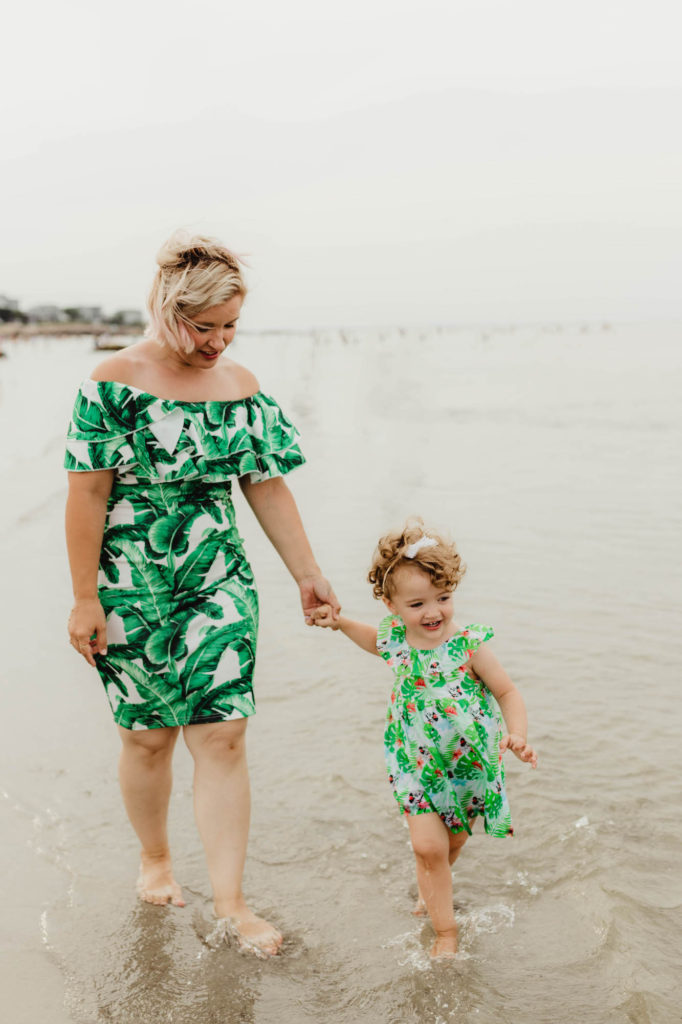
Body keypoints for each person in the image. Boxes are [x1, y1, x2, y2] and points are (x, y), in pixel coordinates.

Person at [64, 231, 339, 958]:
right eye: (204, 327)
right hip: (130, 585)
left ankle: (232, 902)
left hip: (217, 581)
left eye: (230, 328)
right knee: (147, 738)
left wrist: (307, 572)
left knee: (223, 735)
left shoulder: (240, 389)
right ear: (165, 309)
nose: (218, 342)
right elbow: (87, 496)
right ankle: (155, 858)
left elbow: (266, 484)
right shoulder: (111, 384)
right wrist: (84, 598)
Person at [309, 518, 537, 959]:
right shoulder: (395, 640)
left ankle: (432, 886)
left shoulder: (469, 646)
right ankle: (445, 932)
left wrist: (518, 735)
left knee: (451, 842)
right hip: (414, 762)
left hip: (470, 763)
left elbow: (507, 691)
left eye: (444, 598)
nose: (433, 612)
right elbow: (369, 638)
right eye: (417, 604)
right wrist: (337, 623)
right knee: (427, 846)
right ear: (391, 605)